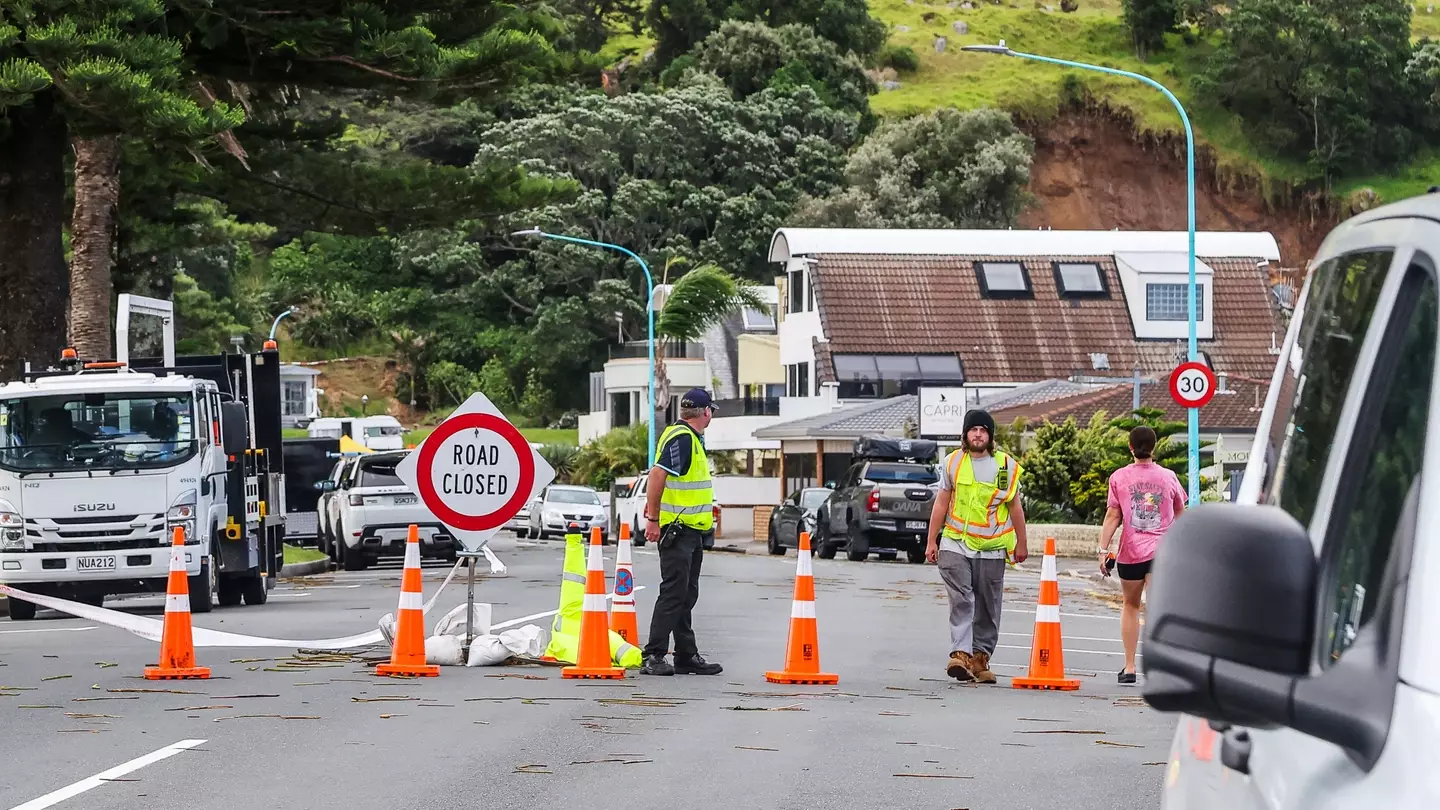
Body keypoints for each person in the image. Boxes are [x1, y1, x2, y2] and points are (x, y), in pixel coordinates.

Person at [925, 409, 1028, 684]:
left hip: (992, 547)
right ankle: (959, 653)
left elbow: (1015, 507)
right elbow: (941, 503)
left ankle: (980, 658)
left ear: (990, 435)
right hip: (955, 542)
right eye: (973, 430)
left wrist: (1022, 542)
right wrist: (931, 539)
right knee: (962, 598)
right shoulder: (953, 463)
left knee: (988, 604)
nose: (978, 434)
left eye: (983, 430)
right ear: (965, 434)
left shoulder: (1006, 465)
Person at [639, 388, 724, 677]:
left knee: (686, 594)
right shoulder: (683, 438)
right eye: (711, 410)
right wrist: (652, 518)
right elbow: (657, 474)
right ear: (706, 413)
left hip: (691, 531)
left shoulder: (689, 439)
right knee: (674, 593)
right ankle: (653, 654)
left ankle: (686, 655)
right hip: (678, 530)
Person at [1097, 425, 1186, 685]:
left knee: (1130, 606)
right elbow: (1181, 514)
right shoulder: (1169, 477)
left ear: (1130, 447)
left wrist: (1103, 551)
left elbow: (1113, 516)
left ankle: (1130, 666)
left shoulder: (1119, 478)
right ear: (1154, 447)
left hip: (1131, 553)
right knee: (1158, 608)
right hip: (1163, 553)